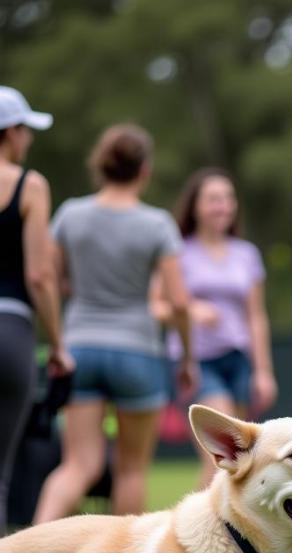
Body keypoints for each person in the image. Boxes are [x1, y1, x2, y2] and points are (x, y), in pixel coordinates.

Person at [34, 124, 196, 523]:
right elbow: (178, 301)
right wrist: (188, 357)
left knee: (78, 465)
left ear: (101, 165)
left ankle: (23, 550)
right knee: (131, 468)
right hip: (137, 351)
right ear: (145, 171)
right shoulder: (156, 224)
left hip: (80, 346)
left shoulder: (71, 214)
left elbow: (48, 277)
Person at [167, 168, 277, 487]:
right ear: (195, 206)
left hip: (238, 358)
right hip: (196, 361)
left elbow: (256, 316)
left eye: (229, 199)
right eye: (214, 199)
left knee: (241, 457)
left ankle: (231, 532)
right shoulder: (178, 252)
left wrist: (263, 371)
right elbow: (155, 305)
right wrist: (191, 309)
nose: (223, 206)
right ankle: (192, 530)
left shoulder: (246, 254)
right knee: (220, 456)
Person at [0, 86, 73, 535]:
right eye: (25, 129)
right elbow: (40, 277)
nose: (28, 139)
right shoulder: (29, 185)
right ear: (10, 132)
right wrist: (59, 345)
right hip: (10, 330)